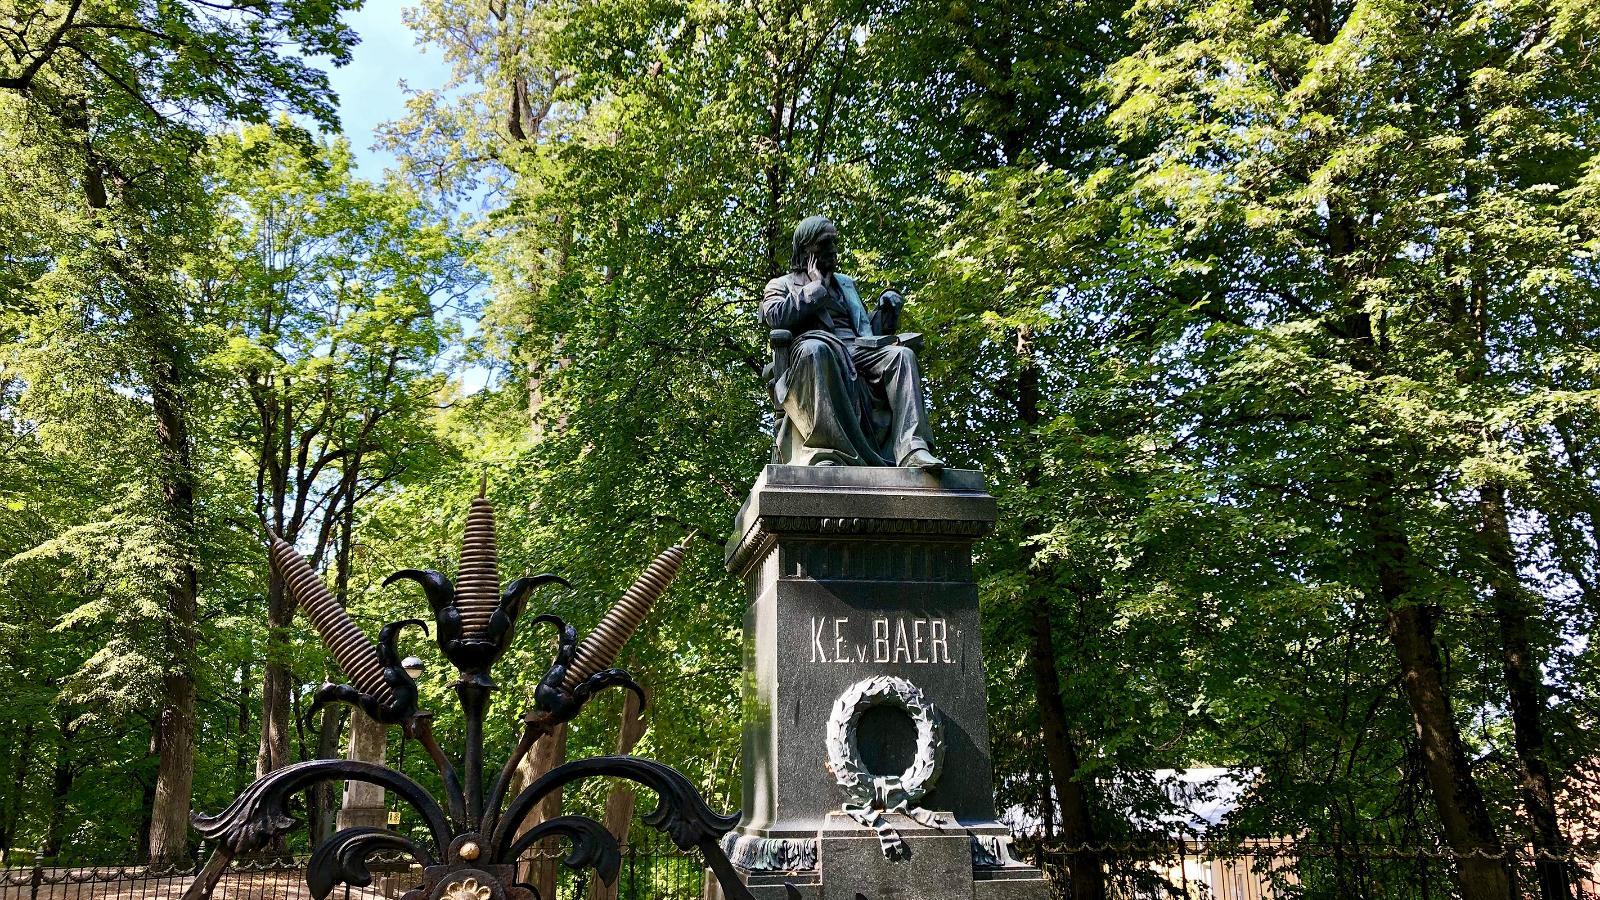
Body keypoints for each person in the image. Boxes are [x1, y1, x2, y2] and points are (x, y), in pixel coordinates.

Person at [761, 215, 945, 471]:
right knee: (816, 349)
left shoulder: (846, 283)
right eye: (826, 243)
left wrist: (886, 312)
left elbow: (864, 329)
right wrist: (815, 289)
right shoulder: (782, 284)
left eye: (834, 242)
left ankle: (913, 449)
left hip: (857, 350)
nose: (834, 250)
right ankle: (825, 451)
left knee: (902, 356)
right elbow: (774, 316)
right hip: (815, 350)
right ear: (807, 249)